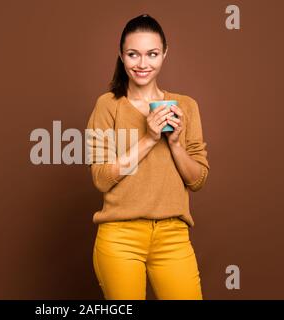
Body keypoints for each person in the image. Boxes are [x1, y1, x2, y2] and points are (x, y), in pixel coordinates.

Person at [86, 14, 210, 300]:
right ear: (121, 55)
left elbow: (198, 180)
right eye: (133, 54)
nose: (143, 64)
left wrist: (175, 143)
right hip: (120, 237)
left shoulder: (186, 107)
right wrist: (149, 138)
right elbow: (102, 179)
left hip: (173, 236)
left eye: (152, 54)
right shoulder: (108, 106)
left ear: (164, 54)